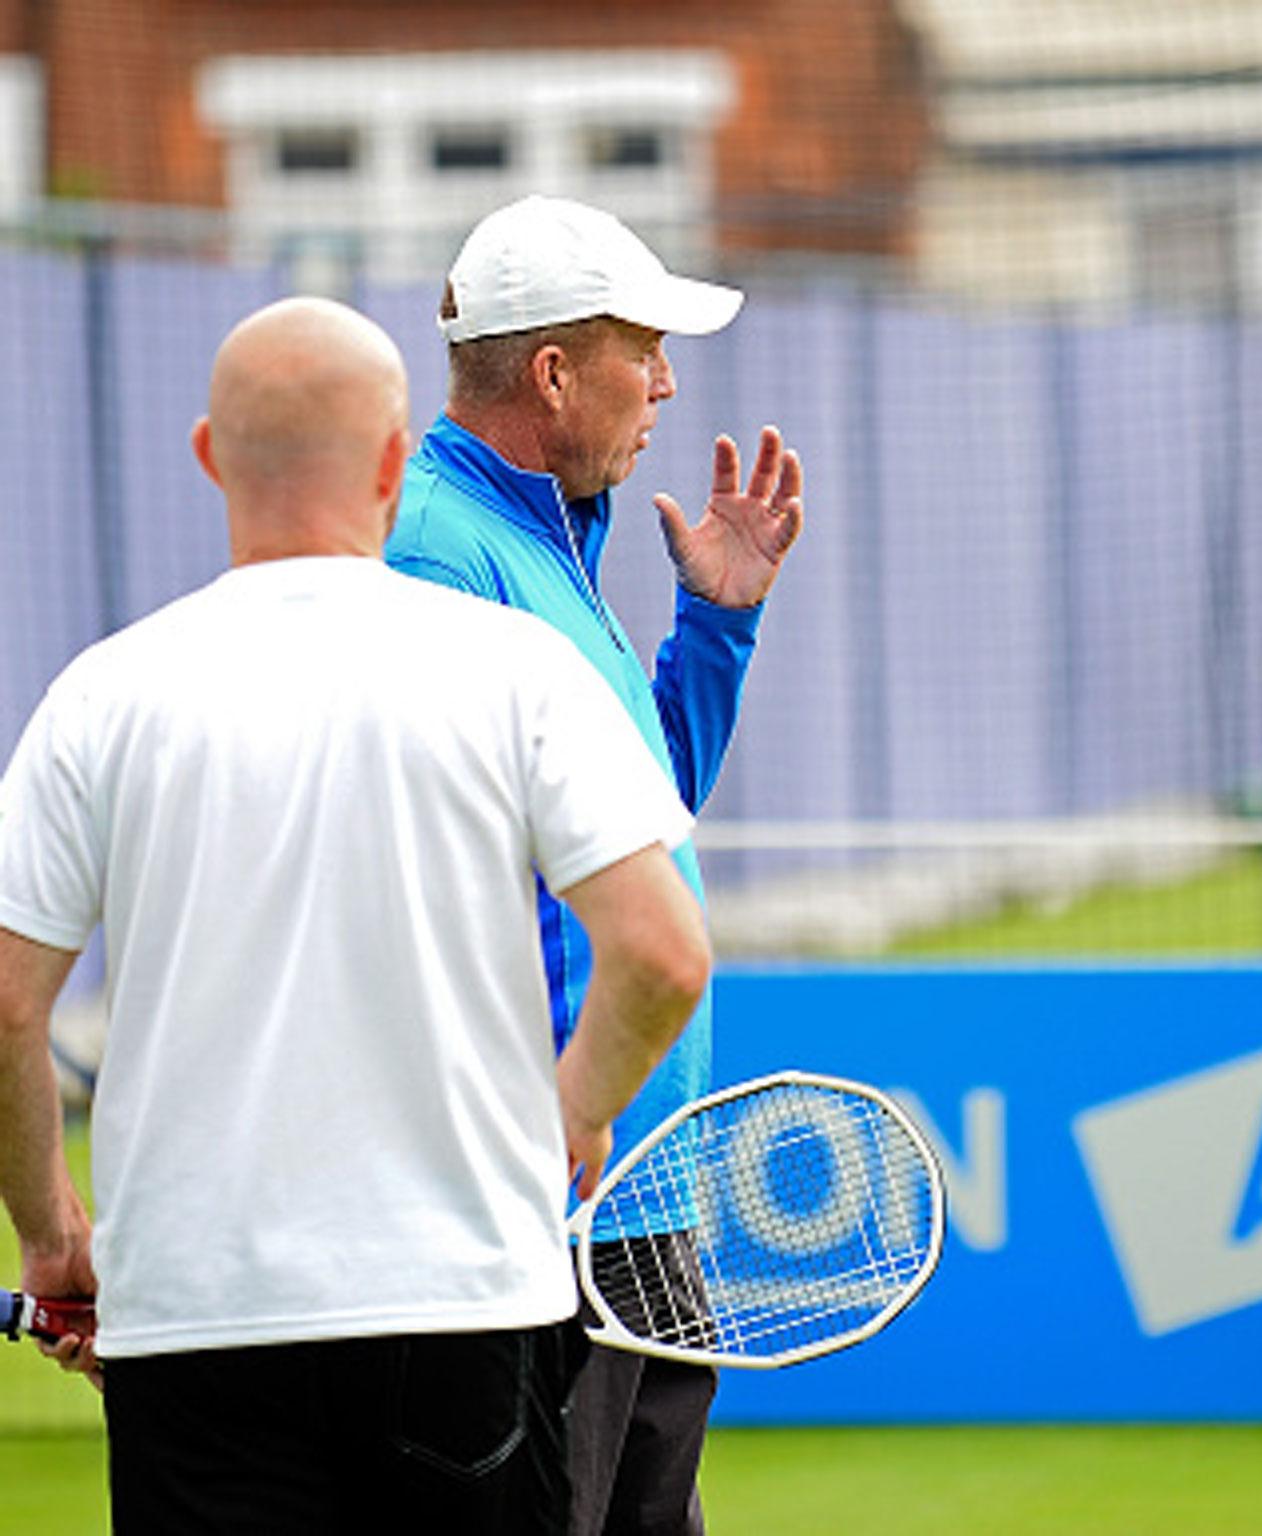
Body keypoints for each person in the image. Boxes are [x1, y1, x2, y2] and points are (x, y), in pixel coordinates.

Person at [0, 296, 713, 1533]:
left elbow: (10, 1000)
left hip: (196, 1325)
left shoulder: (100, 696)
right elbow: (660, 949)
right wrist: (567, 1121)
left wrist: (54, 1234)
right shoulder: (512, 667)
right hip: (462, 1308)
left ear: (210, 455)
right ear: (395, 458)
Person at [386, 194, 802, 1536]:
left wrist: (716, 634)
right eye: (646, 353)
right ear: (556, 375)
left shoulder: (545, 541)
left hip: (634, 1191)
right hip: (545, 1201)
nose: (669, 385)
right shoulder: (443, 560)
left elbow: (632, 821)